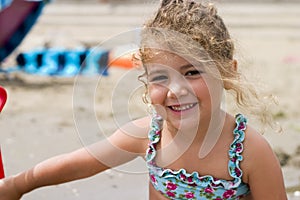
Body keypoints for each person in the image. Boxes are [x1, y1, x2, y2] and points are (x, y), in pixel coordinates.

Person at [0, 0, 287, 199]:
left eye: (192, 72)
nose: (175, 89)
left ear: (227, 72)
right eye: (161, 77)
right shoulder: (150, 135)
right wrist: (18, 185)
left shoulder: (248, 151)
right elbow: (81, 162)